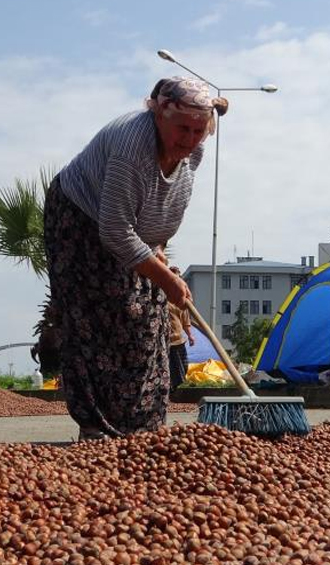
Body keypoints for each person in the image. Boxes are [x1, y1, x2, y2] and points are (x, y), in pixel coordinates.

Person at [44, 76, 228, 441]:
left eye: (198, 130)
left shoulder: (193, 146)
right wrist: (167, 278)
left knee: (151, 317)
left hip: (132, 231)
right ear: (158, 114)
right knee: (101, 317)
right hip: (80, 222)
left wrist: (158, 259)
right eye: (182, 129)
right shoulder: (133, 146)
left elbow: (156, 200)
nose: (189, 139)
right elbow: (114, 229)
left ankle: (144, 428)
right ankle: (97, 426)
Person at [166, 266, 196, 392]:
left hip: (179, 339)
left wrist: (190, 335)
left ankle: (179, 388)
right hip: (168, 340)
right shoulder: (163, 298)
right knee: (173, 367)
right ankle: (173, 390)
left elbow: (185, 321)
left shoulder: (179, 301)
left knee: (183, 366)